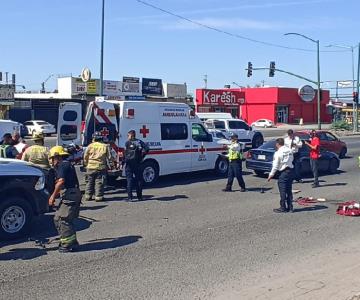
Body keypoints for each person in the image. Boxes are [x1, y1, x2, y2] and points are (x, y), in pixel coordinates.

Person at [48, 146, 81, 253]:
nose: (51, 161)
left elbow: (61, 181)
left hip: (70, 195)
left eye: (52, 158)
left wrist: (52, 196)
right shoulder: (66, 164)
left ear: (57, 157)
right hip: (71, 194)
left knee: (63, 219)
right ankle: (67, 240)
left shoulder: (62, 165)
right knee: (57, 218)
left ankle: (69, 243)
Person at [83, 132, 113, 202]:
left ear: (94, 138)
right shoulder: (105, 146)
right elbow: (109, 157)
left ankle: (88, 196)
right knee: (99, 182)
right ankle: (98, 197)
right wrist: (112, 164)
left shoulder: (90, 146)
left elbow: (85, 156)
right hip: (101, 167)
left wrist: (86, 164)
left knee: (89, 182)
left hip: (90, 167)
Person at [268, 138, 294, 213]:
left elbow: (275, 165)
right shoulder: (289, 150)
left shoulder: (278, 153)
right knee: (289, 190)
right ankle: (290, 207)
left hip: (283, 172)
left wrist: (271, 175)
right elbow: (292, 159)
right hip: (290, 171)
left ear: (277, 144)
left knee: (282, 190)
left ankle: (283, 207)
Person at [124, 130, 149, 202]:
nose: (127, 137)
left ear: (131, 135)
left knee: (129, 180)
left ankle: (130, 198)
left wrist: (123, 161)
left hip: (129, 164)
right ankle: (139, 197)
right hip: (138, 163)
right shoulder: (139, 142)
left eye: (128, 135)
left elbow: (125, 153)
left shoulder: (127, 143)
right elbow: (147, 149)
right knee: (139, 180)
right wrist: (142, 157)